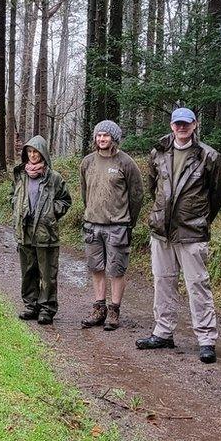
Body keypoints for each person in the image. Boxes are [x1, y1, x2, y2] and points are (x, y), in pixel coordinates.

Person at [136, 107, 221, 364]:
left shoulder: (208, 156)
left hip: (192, 232)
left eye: (186, 124)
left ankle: (206, 339)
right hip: (161, 231)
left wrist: (201, 219)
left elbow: (218, 194)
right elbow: (154, 187)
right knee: (163, 281)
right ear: (171, 125)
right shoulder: (158, 152)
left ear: (195, 125)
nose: (181, 128)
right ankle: (163, 332)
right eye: (177, 124)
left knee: (197, 285)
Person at [78, 120, 144, 330]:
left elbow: (137, 194)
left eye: (106, 135)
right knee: (96, 268)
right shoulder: (87, 162)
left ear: (114, 138)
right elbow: (84, 192)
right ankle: (99, 308)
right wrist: (90, 212)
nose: (102, 139)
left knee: (116, 270)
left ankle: (114, 310)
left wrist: (128, 221)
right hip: (92, 225)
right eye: (99, 135)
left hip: (118, 226)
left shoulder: (126, 162)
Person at [11, 135, 72, 325]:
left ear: (43, 153)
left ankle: (47, 309)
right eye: (29, 152)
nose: (32, 155)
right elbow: (12, 195)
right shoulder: (20, 175)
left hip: (46, 232)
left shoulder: (54, 178)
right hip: (25, 230)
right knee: (29, 270)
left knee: (47, 273)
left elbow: (65, 200)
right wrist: (17, 206)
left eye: (36, 152)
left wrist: (50, 213)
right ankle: (31, 305)